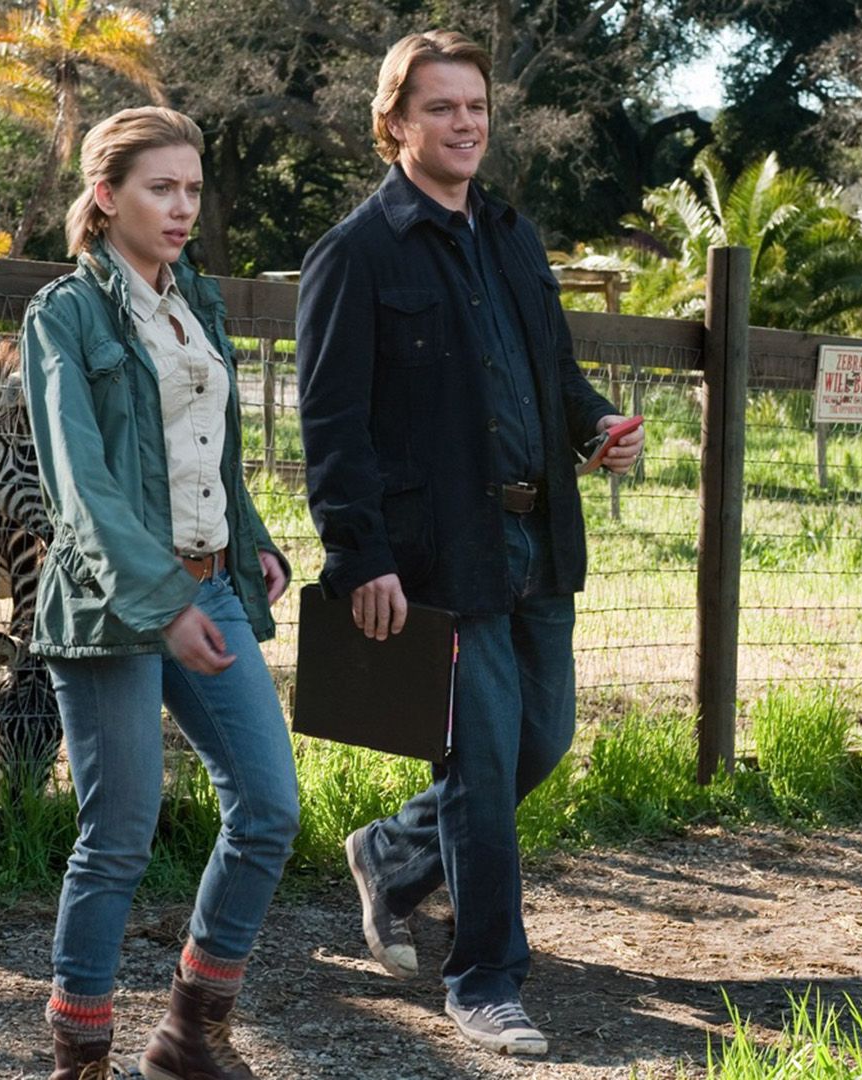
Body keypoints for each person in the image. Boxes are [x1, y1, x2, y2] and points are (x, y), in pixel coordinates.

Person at [294, 29, 644, 1057]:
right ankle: (485, 980)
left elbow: (554, 370)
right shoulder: (355, 254)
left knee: (546, 739)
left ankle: (396, 856)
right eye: (442, 107)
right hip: (440, 554)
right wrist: (360, 556)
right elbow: (332, 425)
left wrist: (592, 427)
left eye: (476, 107)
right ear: (395, 122)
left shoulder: (510, 235)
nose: (465, 124)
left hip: (538, 542)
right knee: (485, 766)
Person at [22, 105, 298, 1080]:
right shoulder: (65, 314)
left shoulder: (198, 304)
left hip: (211, 586)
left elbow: (212, 455)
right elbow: (80, 484)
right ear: (106, 197)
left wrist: (250, 544)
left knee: (269, 806)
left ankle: (190, 1033)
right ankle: (81, 1059)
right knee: (120, 837)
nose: (183, 207)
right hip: (111, 606)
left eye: (191, 189)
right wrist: (161, 605)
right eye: (160, 189)